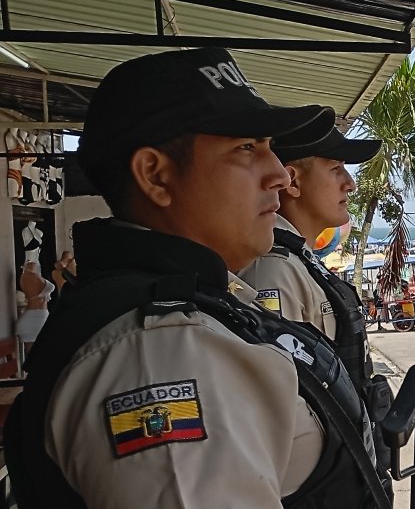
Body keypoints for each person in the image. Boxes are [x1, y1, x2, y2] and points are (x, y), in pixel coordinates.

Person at [4, 47, 392, 509]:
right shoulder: (161, 353)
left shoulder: (196, 306)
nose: (276, 173)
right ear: (156, 175)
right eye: (246, 148)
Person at [237, 126, 392, 490]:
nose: (350, 184)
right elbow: (285, 402)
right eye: (336, 168)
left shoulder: (300, 262)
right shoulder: (274, 269)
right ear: (292, 180)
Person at [16, 262, 53, 352]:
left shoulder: (26, 277)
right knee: (38, 357)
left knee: (36, 357)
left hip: (35, 317)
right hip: (36, 319)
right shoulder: (31, 277)